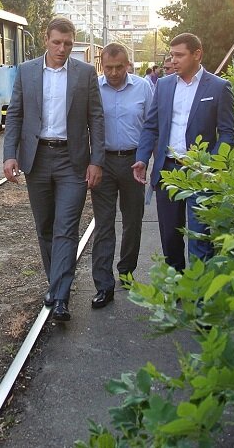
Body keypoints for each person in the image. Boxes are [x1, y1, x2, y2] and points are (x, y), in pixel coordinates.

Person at [4, 17, 105, 321]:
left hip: (72, 161)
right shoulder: (27, 71)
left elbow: (96, 118)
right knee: (45, 226)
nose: (62, 49)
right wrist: (10, 155)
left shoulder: (85, 73)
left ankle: (60, 296)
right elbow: (15, 115)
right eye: (57, 42)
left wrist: (96, 160)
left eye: (68, 44)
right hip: (37, 159)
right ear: (45, 40)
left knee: (66, 228)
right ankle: (56, 282)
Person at [133, 33, 234, 271]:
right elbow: (151, 126)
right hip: (168, 171)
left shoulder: (219, 87)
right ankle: (176, 284)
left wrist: (212, 166)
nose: (173, 60)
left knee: (200, 238)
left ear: (197, 54)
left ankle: (200, 289)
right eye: (172, 55)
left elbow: (228, 133)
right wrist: (142, 158)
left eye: (179, 55)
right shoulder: (164, 85)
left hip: (200, 173)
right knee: (170, 236)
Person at [89, 44, 153, 308]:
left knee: (133, 221)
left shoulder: (143, 88)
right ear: (102, 66)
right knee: (104, 224)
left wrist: (146, 159)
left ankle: (126, 271)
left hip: (133, 162)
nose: (114, 73)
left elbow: (151, 125)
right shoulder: (94, 88)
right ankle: (104, 286)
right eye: (108, 68)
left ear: (128, 64)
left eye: (119, 67)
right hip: (102, 162)